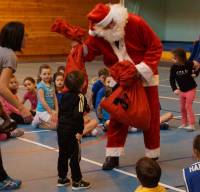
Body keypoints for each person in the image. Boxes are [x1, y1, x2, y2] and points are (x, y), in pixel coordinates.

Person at [81, 3, 162, 169]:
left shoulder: (136, 22)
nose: (111, 27)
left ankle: (152, 154)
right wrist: (79, 45)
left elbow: (155, 46)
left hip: (145, 78)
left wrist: (140, 70)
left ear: (115, 17)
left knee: (151, 116)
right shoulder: (99, 34)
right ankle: (113, 155)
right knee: (118, 116)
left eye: (112, 23)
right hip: (121, 80)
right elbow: (88, 53)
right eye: (106, 26)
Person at [0, 21, 32, 190]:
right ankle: (2, 180)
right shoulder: (9, 55)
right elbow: (2, 87)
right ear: (17, 37)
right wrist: (21, 108)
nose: (27, 37)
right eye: (25, 34)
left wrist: (5, 116)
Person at [57, 71, 90, 190]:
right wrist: (80, 131)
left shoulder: (64, 95)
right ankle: (77, 181)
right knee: (75, 156)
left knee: (63, 153)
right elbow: (78, 115)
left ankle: (62, 178)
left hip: (61, 129)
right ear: (82, 84)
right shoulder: (80, 96)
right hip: (72, 130)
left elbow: (61, 112)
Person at [170, 48, 200, 131]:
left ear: (180, 58)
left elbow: (198, 66)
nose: (172, 59)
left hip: (191, 89)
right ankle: (184, 123)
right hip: (182, 91)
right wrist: (174, 89)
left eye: (174, 58)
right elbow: (172, 79)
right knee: (182, 108)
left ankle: (192, 124)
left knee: (188, 106)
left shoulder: (189, 64)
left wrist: (196, 74)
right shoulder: (173, 68)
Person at [32, 64, 58, 130]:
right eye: (44, 74)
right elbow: (43, 101)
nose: (47, 76)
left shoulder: (52, 84)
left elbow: (55, 98)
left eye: (48, 74)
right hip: (42, 111)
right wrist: (51, 113)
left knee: (61, 123)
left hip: (51, 110)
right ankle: (39, 121)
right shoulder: (40, 86)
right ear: (40, 75)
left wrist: (57, 111)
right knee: (56, 126)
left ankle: (46, 121)